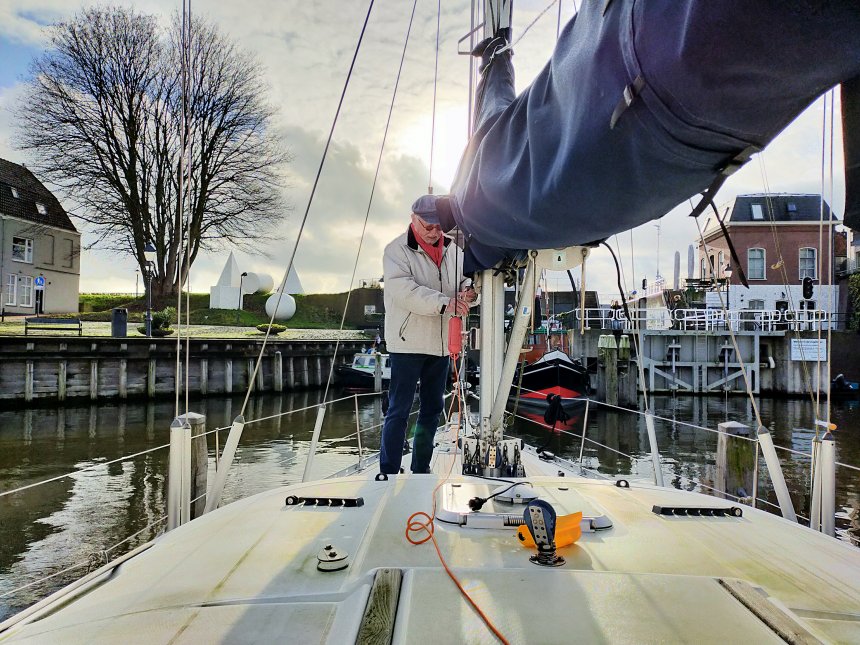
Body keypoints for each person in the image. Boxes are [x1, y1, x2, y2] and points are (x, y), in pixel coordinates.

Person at [380, 194, 476, 474]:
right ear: (413, 219)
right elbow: (403, 291)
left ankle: (421, 467)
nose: (435, 232)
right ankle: (388, 468)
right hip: (408, 343)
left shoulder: (454, 250)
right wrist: (444, 302)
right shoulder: (395, 250)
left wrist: (471, 293)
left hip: (442, 345)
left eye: (439, 226)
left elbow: (467, 284)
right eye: (428, 226)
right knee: (399, 410)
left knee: (433, 409)